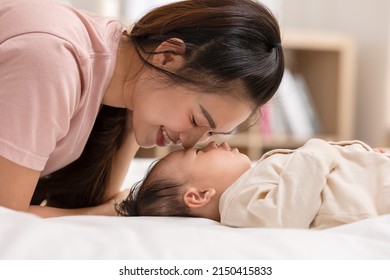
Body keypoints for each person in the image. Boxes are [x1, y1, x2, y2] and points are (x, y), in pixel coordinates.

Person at [0, 0, 284, 217]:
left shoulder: (130, 88)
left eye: (211, 133)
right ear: (167, 57)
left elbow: (103, 198)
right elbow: (8, 217)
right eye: (197, 119)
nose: (190, 143)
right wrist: (111, 212)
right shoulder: (52, 59)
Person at [116, 139, 390, 229]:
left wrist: (360, 153)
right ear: (199, 195)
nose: (214, 142)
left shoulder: (250, 180)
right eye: (200, 152)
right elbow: (287, 215)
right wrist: (316, 148)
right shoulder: (239, 203)